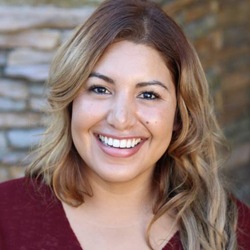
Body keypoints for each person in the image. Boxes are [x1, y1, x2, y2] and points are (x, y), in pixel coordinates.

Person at [0, 0, 249, 249]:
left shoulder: (233, 231)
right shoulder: (7, 217)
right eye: (100, 89)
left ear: (178, 115)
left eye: (149, 94)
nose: (120, 119)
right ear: (70, 101)